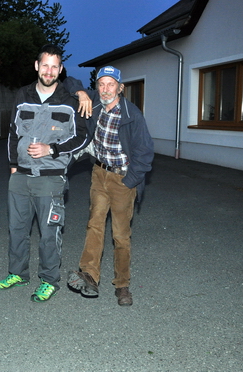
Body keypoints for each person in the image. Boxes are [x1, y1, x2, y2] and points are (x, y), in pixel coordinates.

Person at [0, 44, 88, 302]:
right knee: (17, 229)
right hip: (20, 176)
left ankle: (49, 280)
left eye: (54, 66)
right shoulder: (22, 94)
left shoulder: (71, 100)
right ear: (37, 66)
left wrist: (52, 149)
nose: (49, 70)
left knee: (49, 233)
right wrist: (14, 166)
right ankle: (18, 273)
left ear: (61, 69)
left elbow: (83, 137)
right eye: (44, 65)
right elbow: (13, 132)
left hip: (51, 177)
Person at [64, 66, 154, 306]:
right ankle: (90, 276)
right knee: (94, 224)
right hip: (99, 174)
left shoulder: (131, 114)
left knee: (121, 236)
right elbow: (69, 81)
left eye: (110, 84)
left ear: (120, 88)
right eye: (101, 84)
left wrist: (130, 181)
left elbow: (145, 152)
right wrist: (82, 93)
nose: (105, 89)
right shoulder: (94, 101)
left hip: (122, 179)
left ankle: (122, 286)